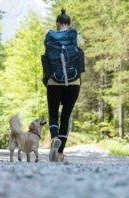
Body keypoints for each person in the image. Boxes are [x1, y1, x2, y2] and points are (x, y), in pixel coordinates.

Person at [43, 9, 85, 162]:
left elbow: (47, 59)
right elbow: (80, 60)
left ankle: (54, 138)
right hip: (73, 82)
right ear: (69, 23)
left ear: (57, 24)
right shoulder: (77, 37)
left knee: (53, 114)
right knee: (65, 116)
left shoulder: (50, 37)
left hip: (54, 81)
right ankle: (59, 153)